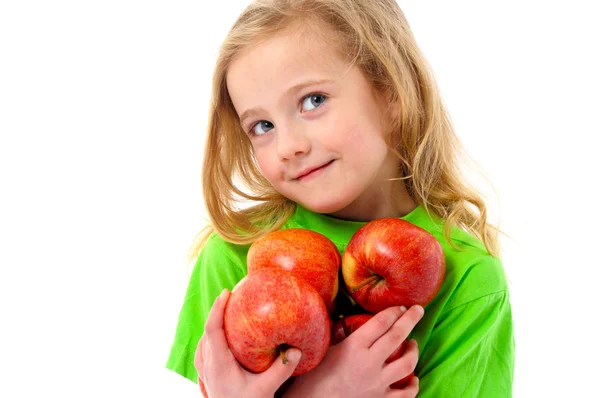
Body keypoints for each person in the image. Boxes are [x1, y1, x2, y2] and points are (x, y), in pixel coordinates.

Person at [166, 0, 515, 396]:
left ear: (392, 91)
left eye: (313, 101)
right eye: (262, 125)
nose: (288, 146)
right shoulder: (236, 252)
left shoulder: (466, 276)